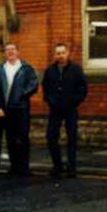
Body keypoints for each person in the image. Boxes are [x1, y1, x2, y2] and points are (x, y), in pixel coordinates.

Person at [0, 42, 38, 176]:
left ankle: (24, 167)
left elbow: (33, 84)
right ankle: (14, 167)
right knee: (10, 138)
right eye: (7, 50)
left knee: (23, 137)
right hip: (7, 109)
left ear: (18, 52)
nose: (10, 52)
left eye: (13, 49)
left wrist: (22, 94)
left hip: (21, 108)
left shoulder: (26, 68)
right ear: (5, 53)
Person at [42, 43, 88, 179]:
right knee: (51, 137)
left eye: (63, 53)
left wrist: (74, 102)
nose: (60, 55)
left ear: (67, 54)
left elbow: (83, 88)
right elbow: (45, 88)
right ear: (55, 55)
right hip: (55, 110)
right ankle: (57, 166)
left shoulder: (76, 69)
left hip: (70, 109)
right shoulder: (50, 70)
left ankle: (71, 168)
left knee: (72, 138)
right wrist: (50, 101)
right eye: (58, 53)